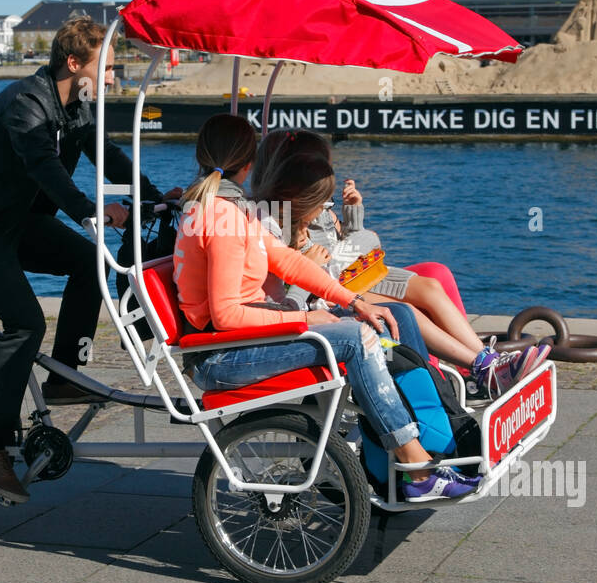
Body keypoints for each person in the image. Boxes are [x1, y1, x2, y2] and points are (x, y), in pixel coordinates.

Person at [0, 16, 181, 503]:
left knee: (91, 264)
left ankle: (65, 376)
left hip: (16, 220)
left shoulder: (79, 106)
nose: (112, 76)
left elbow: (105, 155)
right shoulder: (26, 104)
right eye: (105, 67)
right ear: (74, 63)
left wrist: (151, 197)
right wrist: (90, 209)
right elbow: (43, 166)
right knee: (25, 323)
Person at [174, 114, 479, 501]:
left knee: (394, 314)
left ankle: (426, 431)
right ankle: (415, 465)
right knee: (355, 338)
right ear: (249, 164)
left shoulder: (226, 208)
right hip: (221, 355)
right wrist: (308, 317)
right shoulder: (223, 218)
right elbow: (226, 315)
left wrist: (352, 301)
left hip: (243, 338)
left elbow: (286, 262)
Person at [251, 130, 546, 397]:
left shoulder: (320, 209)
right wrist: (348, 246)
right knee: (408, 312)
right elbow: (298, 280)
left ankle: (485, 362)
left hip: (354, 275)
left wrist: (353, 216)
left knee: (430, 285)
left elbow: (352, 247)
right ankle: (482, 371)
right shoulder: (276, 221)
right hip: (328, 294)